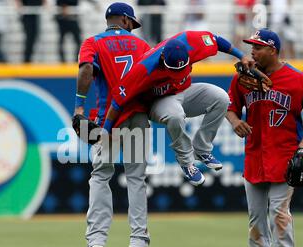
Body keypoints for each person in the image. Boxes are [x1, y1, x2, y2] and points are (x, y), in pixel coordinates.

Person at [226, 29, 303, 247]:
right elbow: (230, 107)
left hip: (285, 158)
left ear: (273, 50)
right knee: (255, 220)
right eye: (251, 46)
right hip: (254, 158)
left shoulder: (297, 79)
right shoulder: (244, 77)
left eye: (258, 47)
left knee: (279, 216)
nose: (252, 51)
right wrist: (236, 121)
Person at [103, 30, 253, 186]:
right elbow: (117, 102)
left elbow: (215, 39)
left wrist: (241, 55)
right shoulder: (143, 68)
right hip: (158, 102)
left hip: (184, 93)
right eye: (173, 71)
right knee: (175, 115)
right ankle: (187, 162)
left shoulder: (190, 41)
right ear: (163, 58)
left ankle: (202, 149)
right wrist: (106, 130)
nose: (178, 74)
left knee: (221, 98)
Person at [75, 2, 151, 247]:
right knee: (136, 178)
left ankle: (96, 239)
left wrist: (78, 107)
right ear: (126, 21)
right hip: (137, 115)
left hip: (107, 118)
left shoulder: (92, 42)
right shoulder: (142, 46)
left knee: (100, 176)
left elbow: (86, 69)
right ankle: (138, 241)